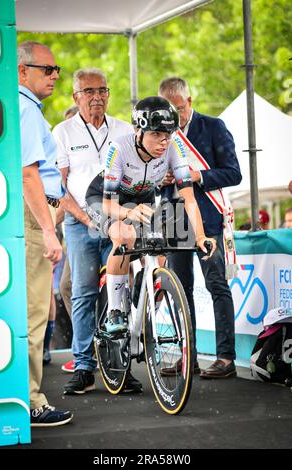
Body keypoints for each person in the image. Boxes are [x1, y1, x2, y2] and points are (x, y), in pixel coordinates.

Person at [85, 96, 216, 348]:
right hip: (106, 199)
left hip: (142, 198)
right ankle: (115, 312)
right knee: (124, 236)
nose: (163, 141)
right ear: (139, 131)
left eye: (168, 134)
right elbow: (110, 204)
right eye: (156, 134)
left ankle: (143, 306)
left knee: (161, 251)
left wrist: (200, 236)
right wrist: (127, 214)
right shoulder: (119, 148)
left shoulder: (173, 147)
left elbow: (188, 198)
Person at [52, 67, 136, 394]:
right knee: (84, 291)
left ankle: (120, 366)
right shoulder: (62, 132)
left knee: (118, 293)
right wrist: (88, 220)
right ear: (76, 97)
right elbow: (59, 186)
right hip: (80, 222)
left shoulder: (125, 130)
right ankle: (85, 366)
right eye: (89, 92)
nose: (97, 97)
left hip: (118, 222)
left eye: (102, 90)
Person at [158, 77, 242, 379]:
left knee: (217, 285)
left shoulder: (213, 127)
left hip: (208, 218)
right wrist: (161, 180)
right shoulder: (159, 131)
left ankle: (225, 357)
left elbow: (234, 173)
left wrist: (198, 175)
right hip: (173, 218)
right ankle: (187, 356)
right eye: (169, 111)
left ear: (189, 101)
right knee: (180, 290)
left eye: (179, 109)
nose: (175, 117)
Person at [18, 41, 73, 426]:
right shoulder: (24, 109)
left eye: (56, 70)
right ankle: (31, 402)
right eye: (47, 69)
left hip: (37, 214)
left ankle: (28, 398)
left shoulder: (25, 109)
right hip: (34, 218)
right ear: (22, 71)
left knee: (35, 311)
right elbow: (29, 174)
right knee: (34, 314)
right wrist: (48, 231)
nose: (55, 75)